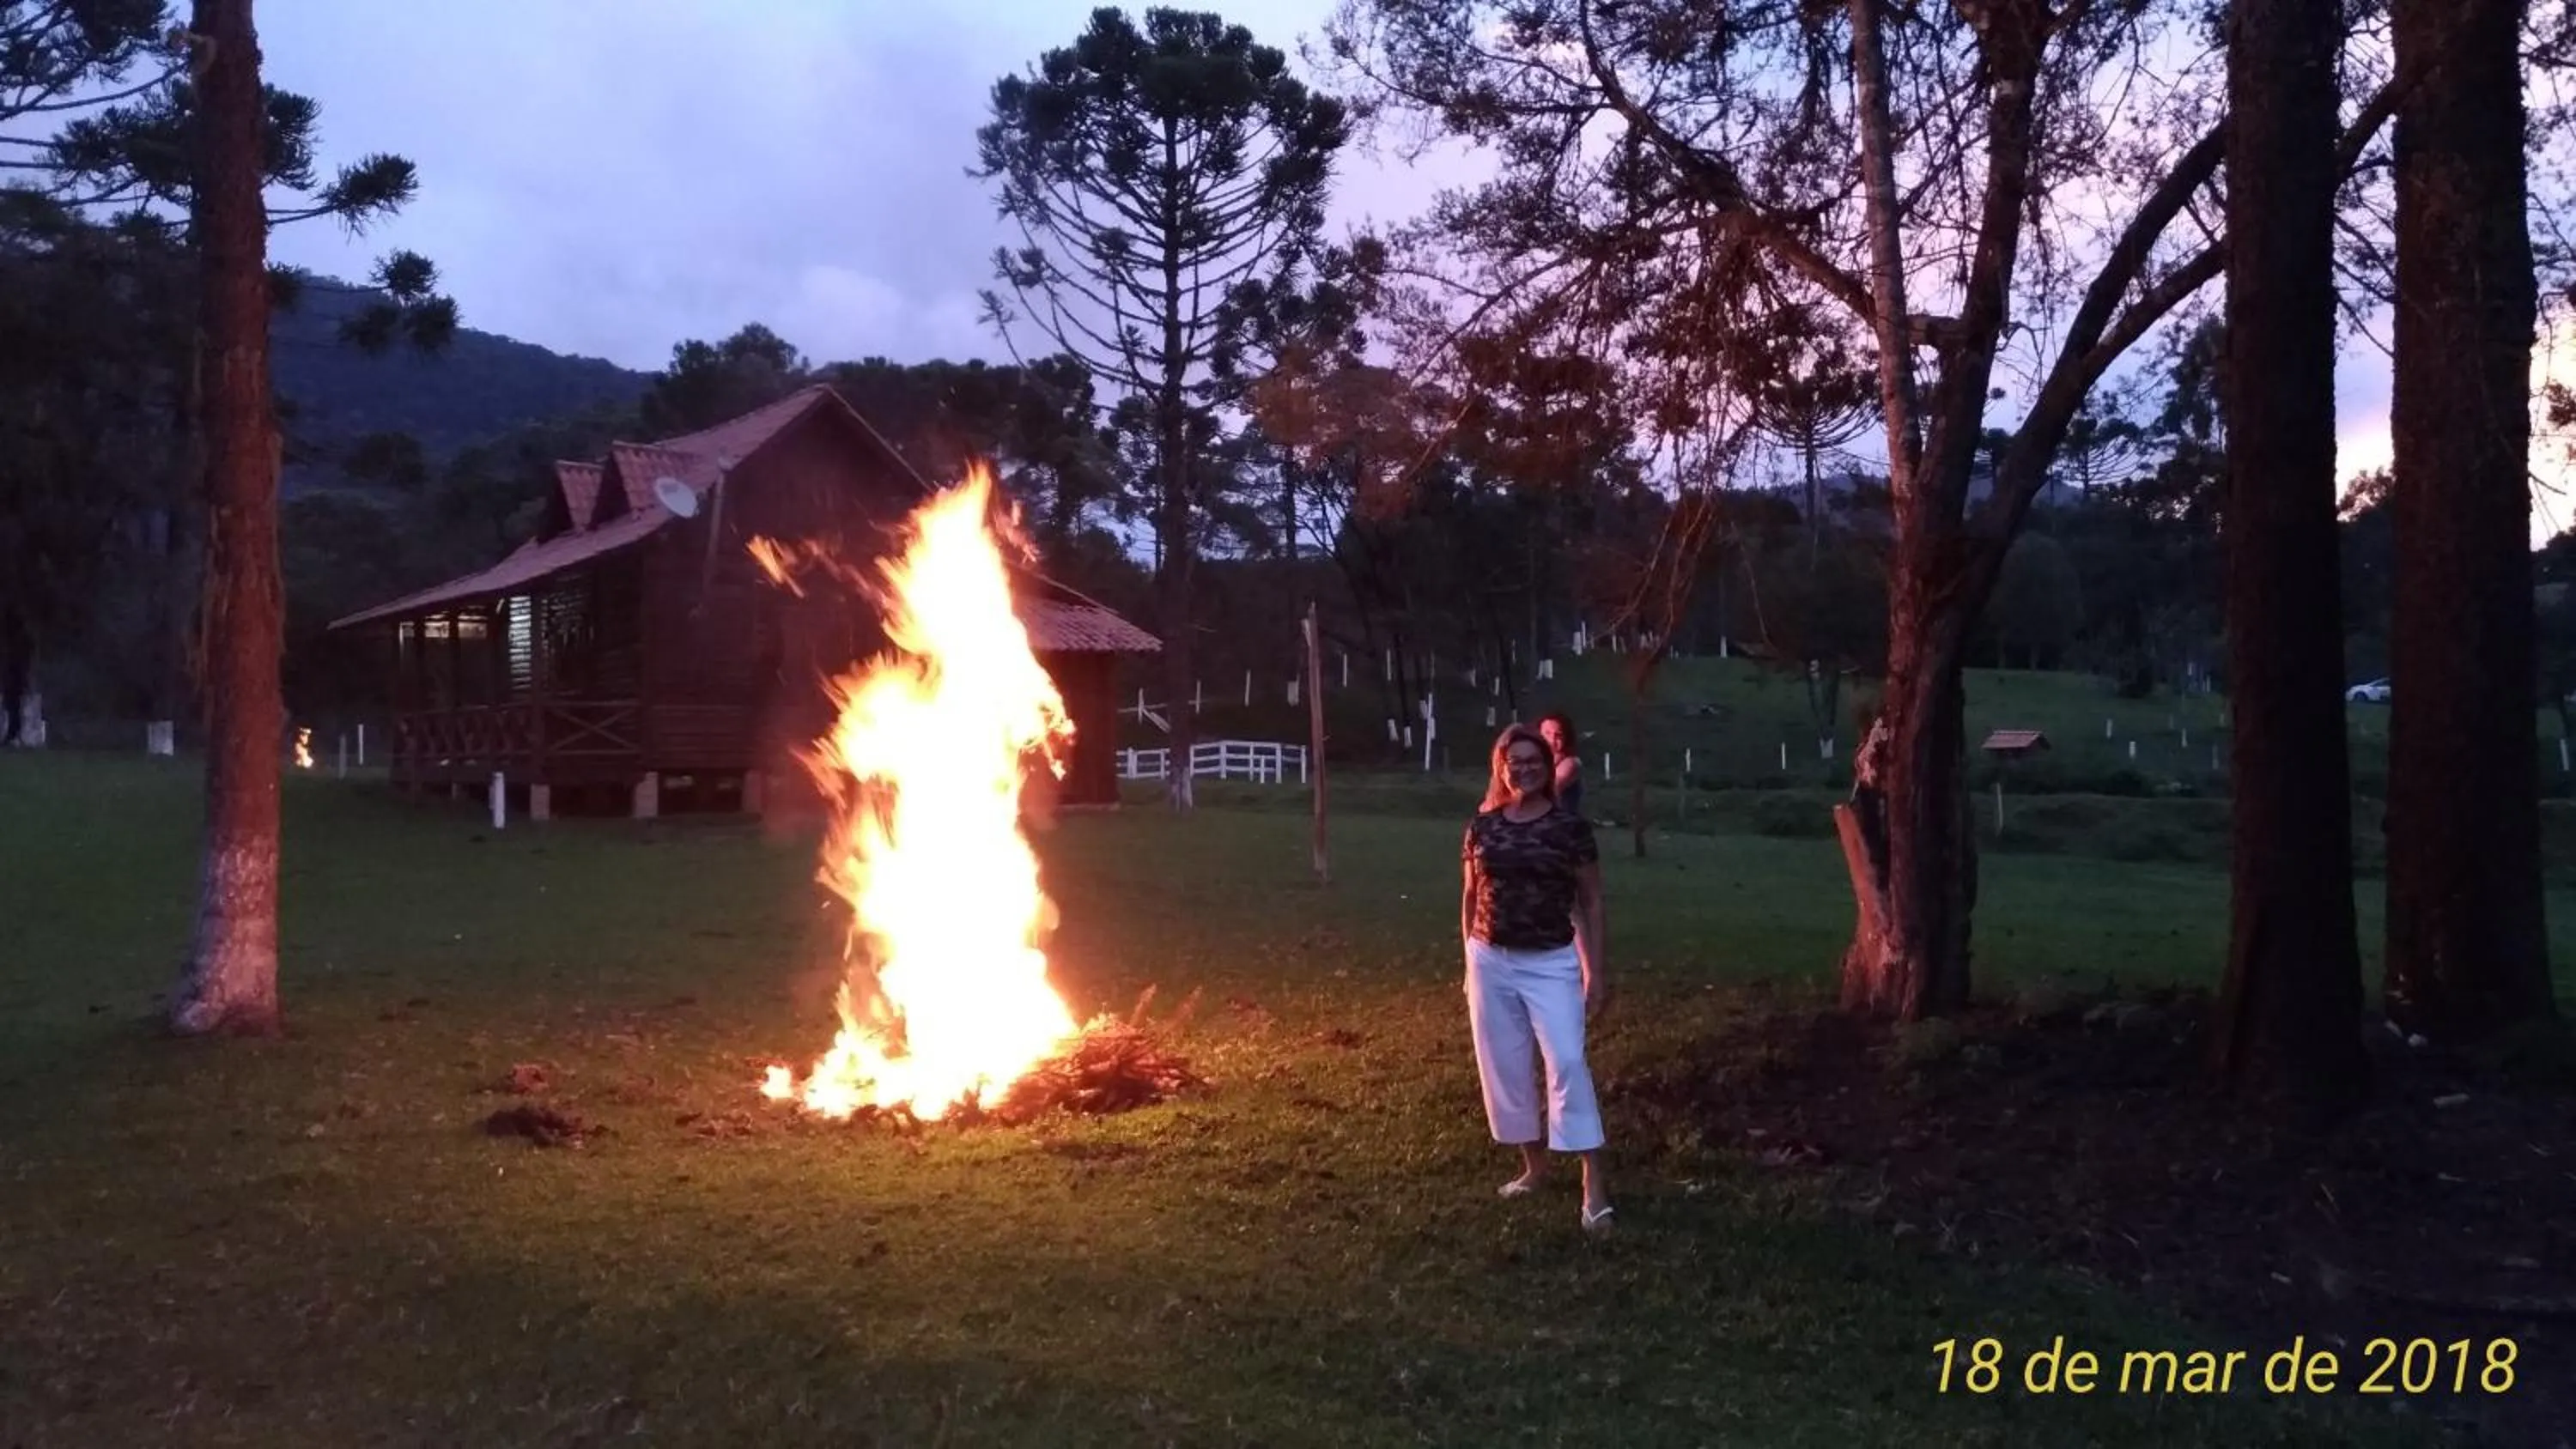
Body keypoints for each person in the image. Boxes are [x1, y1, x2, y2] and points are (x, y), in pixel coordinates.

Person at [1461, 723, 1613, 1232]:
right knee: (1504, 1067)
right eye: (1513, 760)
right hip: (1490, 960)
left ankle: (1593, 1180)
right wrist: (1469, 960)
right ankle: (1535, 1167)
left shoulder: (1570, 828)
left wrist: (1596, 973)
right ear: (1500, 768)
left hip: (1550, 961)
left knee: (1567, 1062)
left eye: (1533, 760)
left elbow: (1590, 901)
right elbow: (1470, 895)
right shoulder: (1483, 825)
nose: (1523, 768)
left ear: (1548, 767)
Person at [1536, 712, 1585, 819]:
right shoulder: (1536, 760)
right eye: (1547, 733)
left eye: (1558, 735)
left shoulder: (1571, 763)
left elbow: (1549, 791)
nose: (1552, 740)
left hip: (1561, 824)